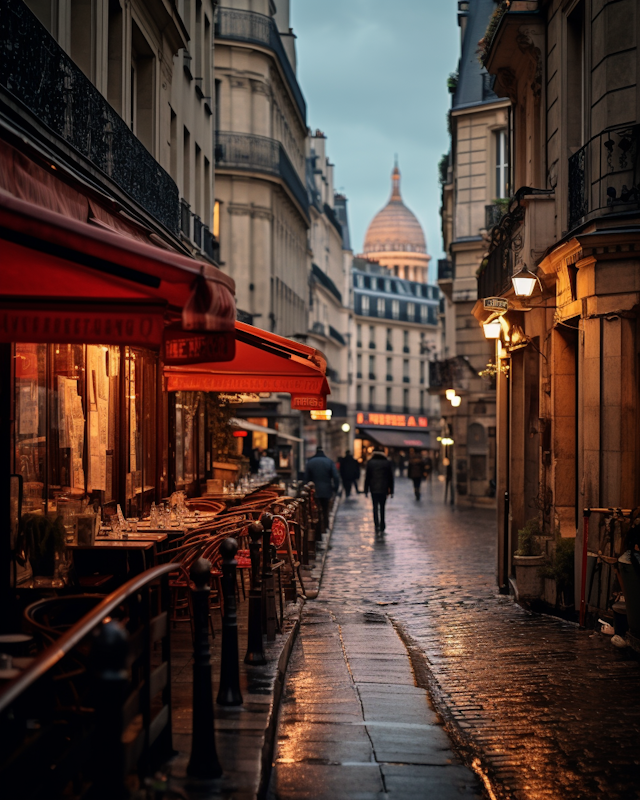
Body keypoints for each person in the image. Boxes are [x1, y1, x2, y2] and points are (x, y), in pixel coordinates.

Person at [304, 447, 340, 533]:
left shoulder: (310, 462)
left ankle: (317, 529)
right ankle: (325, 526)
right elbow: (335, 476)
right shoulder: (329, 462)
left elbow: (306, 478)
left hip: (314, 490)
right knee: (325, 508)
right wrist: (335, 488)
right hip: (326, 489)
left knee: (314, 510)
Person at [364, 450, 394, 533]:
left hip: (373, 488)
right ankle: (382, 523)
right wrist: (391, 490)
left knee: (375, 506)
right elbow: (390, 477)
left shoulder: (370, 462)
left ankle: (376, 524)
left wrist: (366, 489)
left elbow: (367, 477)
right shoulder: (387, 462)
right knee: (382, 507)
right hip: (384, 488)